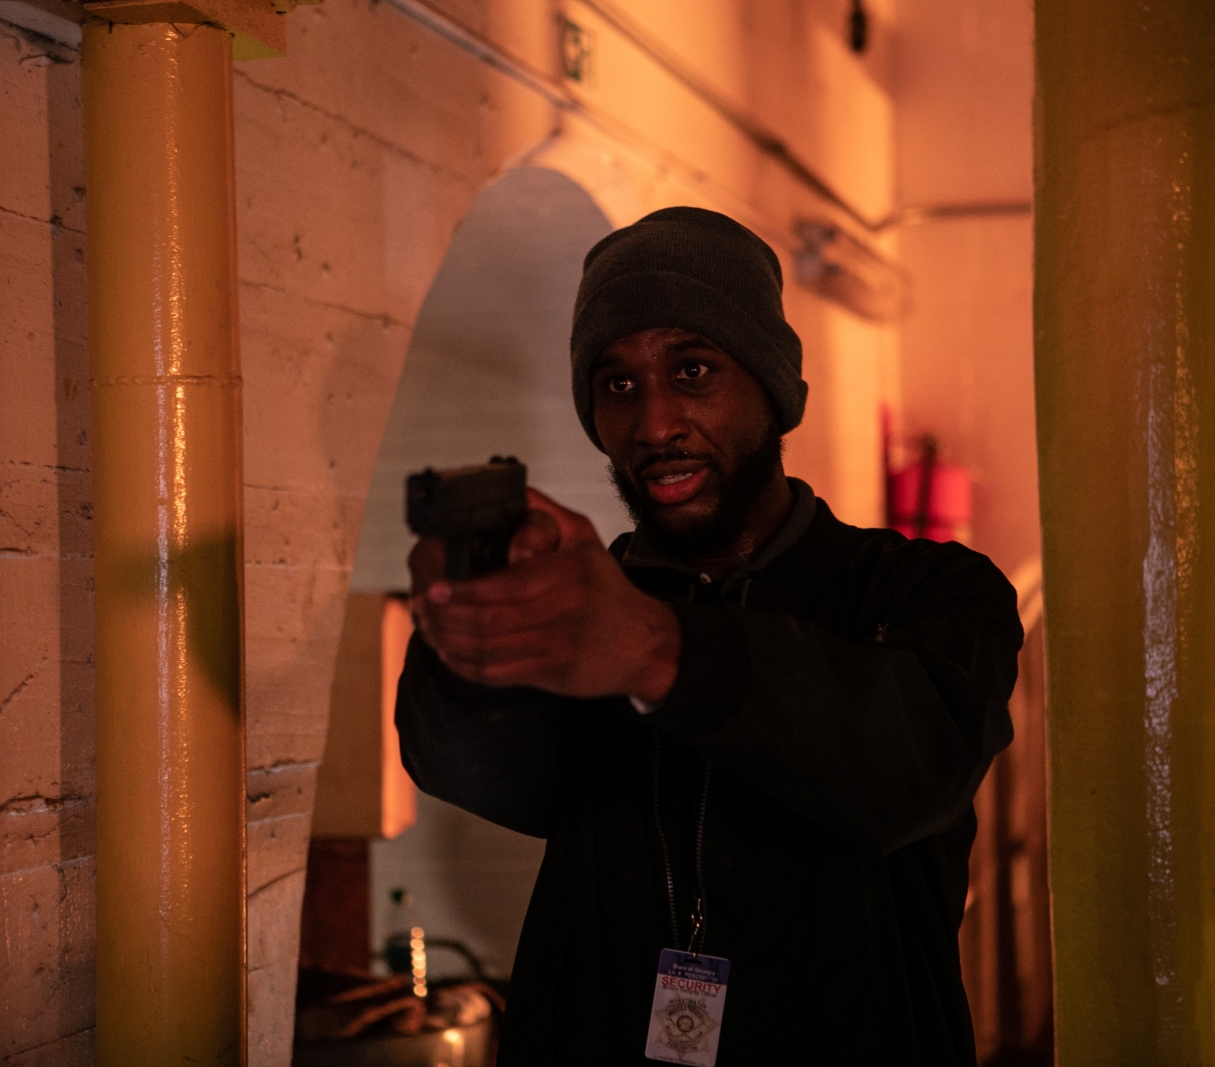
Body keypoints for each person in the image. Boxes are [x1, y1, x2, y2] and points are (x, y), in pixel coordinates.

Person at [397, 207, 1023, 1065]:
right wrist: (470, 636)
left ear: (773, 386)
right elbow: (485, 774)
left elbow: (910, 767)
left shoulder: (930, 589)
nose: (655, 424)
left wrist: (659, 650)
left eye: (692, 370)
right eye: (618, 384)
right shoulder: (586, 598)